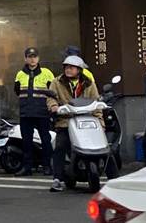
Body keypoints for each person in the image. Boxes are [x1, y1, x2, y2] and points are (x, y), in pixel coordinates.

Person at [47, 55, 100, 193]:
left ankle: (113, 178)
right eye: (66, 67)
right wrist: (53, 106)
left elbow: (96, 102)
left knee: (104, 148)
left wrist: (100, 122)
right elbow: (51, 98)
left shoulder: (88, 83)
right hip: (65, 121)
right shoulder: (56, 82)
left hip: (86, 122)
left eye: (72, 67)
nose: (68, 69)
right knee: (60, 146)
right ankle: (57, 179)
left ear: (79, 70)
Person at [13, 47, 55, 176]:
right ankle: (27, 167)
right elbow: (17, 91)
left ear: (38, 58)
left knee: (45, 139)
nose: (32, 59)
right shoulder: (20, 74)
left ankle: (47, 166)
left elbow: (53, 91)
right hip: (26, 113)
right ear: (25, 58)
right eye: (30, 56)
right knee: (26, 141)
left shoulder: (46, 73)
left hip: (42, 112)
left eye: (34, 56)